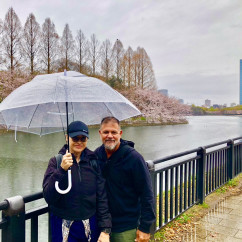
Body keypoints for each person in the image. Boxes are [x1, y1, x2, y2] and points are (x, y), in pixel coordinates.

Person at [43, 121, 111, 242]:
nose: (79, 142)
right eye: (75, 138)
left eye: (83, 138)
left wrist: (105, 229)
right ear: (66, 138)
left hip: (90, 224)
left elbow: (101, 197)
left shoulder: (93, 161)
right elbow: (48, 196)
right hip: (62, 225)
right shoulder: (56, 161)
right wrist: (61, 170)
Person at [95, 117, 156, 242]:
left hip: (126, 226)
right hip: (101, 226)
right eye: (106, 132)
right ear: (100, 133)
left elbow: (147, 193)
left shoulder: (133, 158)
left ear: (120, 134)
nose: (110, 136)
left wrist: (145, 227)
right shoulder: (96, 155)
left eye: (114, 132)